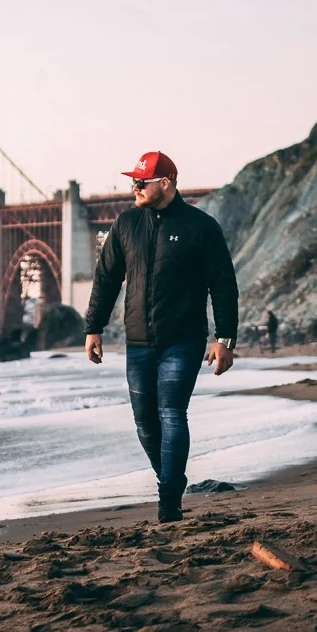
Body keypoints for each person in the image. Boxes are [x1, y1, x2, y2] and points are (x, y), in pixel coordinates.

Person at [83, 151, 239, 524]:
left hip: (182, 340)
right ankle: (171, 478)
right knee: (144, 423)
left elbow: (223, 285)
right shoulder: (125, 224)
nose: (134, 187)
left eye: (141, 182)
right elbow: (106, 278)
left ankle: (168, 500)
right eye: (133, 180)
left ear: (165, 183)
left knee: (171, 412)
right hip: (137, 342)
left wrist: (225, 340)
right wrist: (93, 327)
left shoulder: (201, 226)